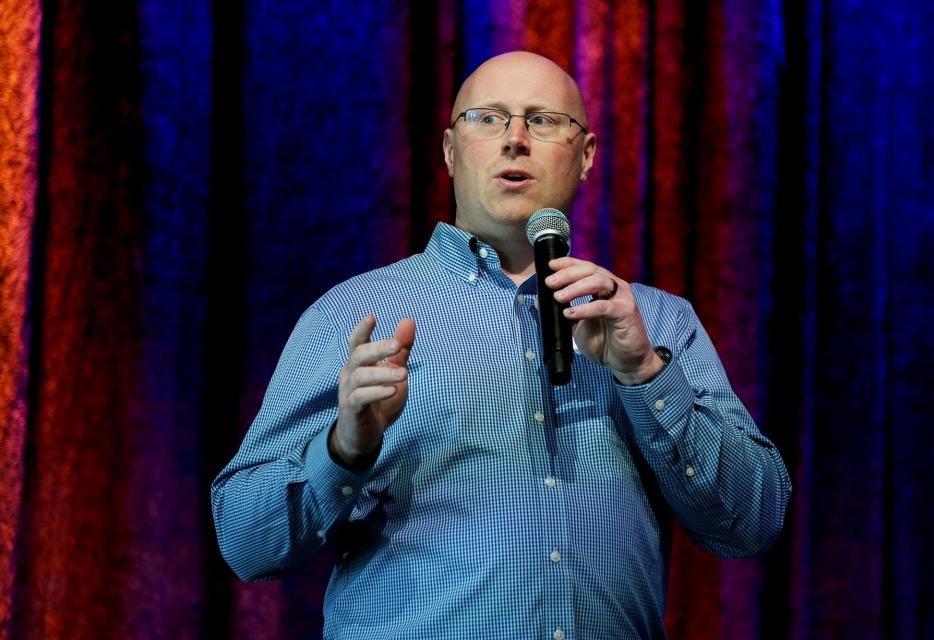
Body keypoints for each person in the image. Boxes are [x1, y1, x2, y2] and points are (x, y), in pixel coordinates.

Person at [211, 51, 791, 639]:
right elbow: (246, 544)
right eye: (487, 118)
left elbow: (752, 524)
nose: (515, 138)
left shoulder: (656, 321)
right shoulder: (352, 316)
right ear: (448, 151)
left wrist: (644, 372)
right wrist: (345, 448)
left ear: (586, 156)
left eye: (543, 120)